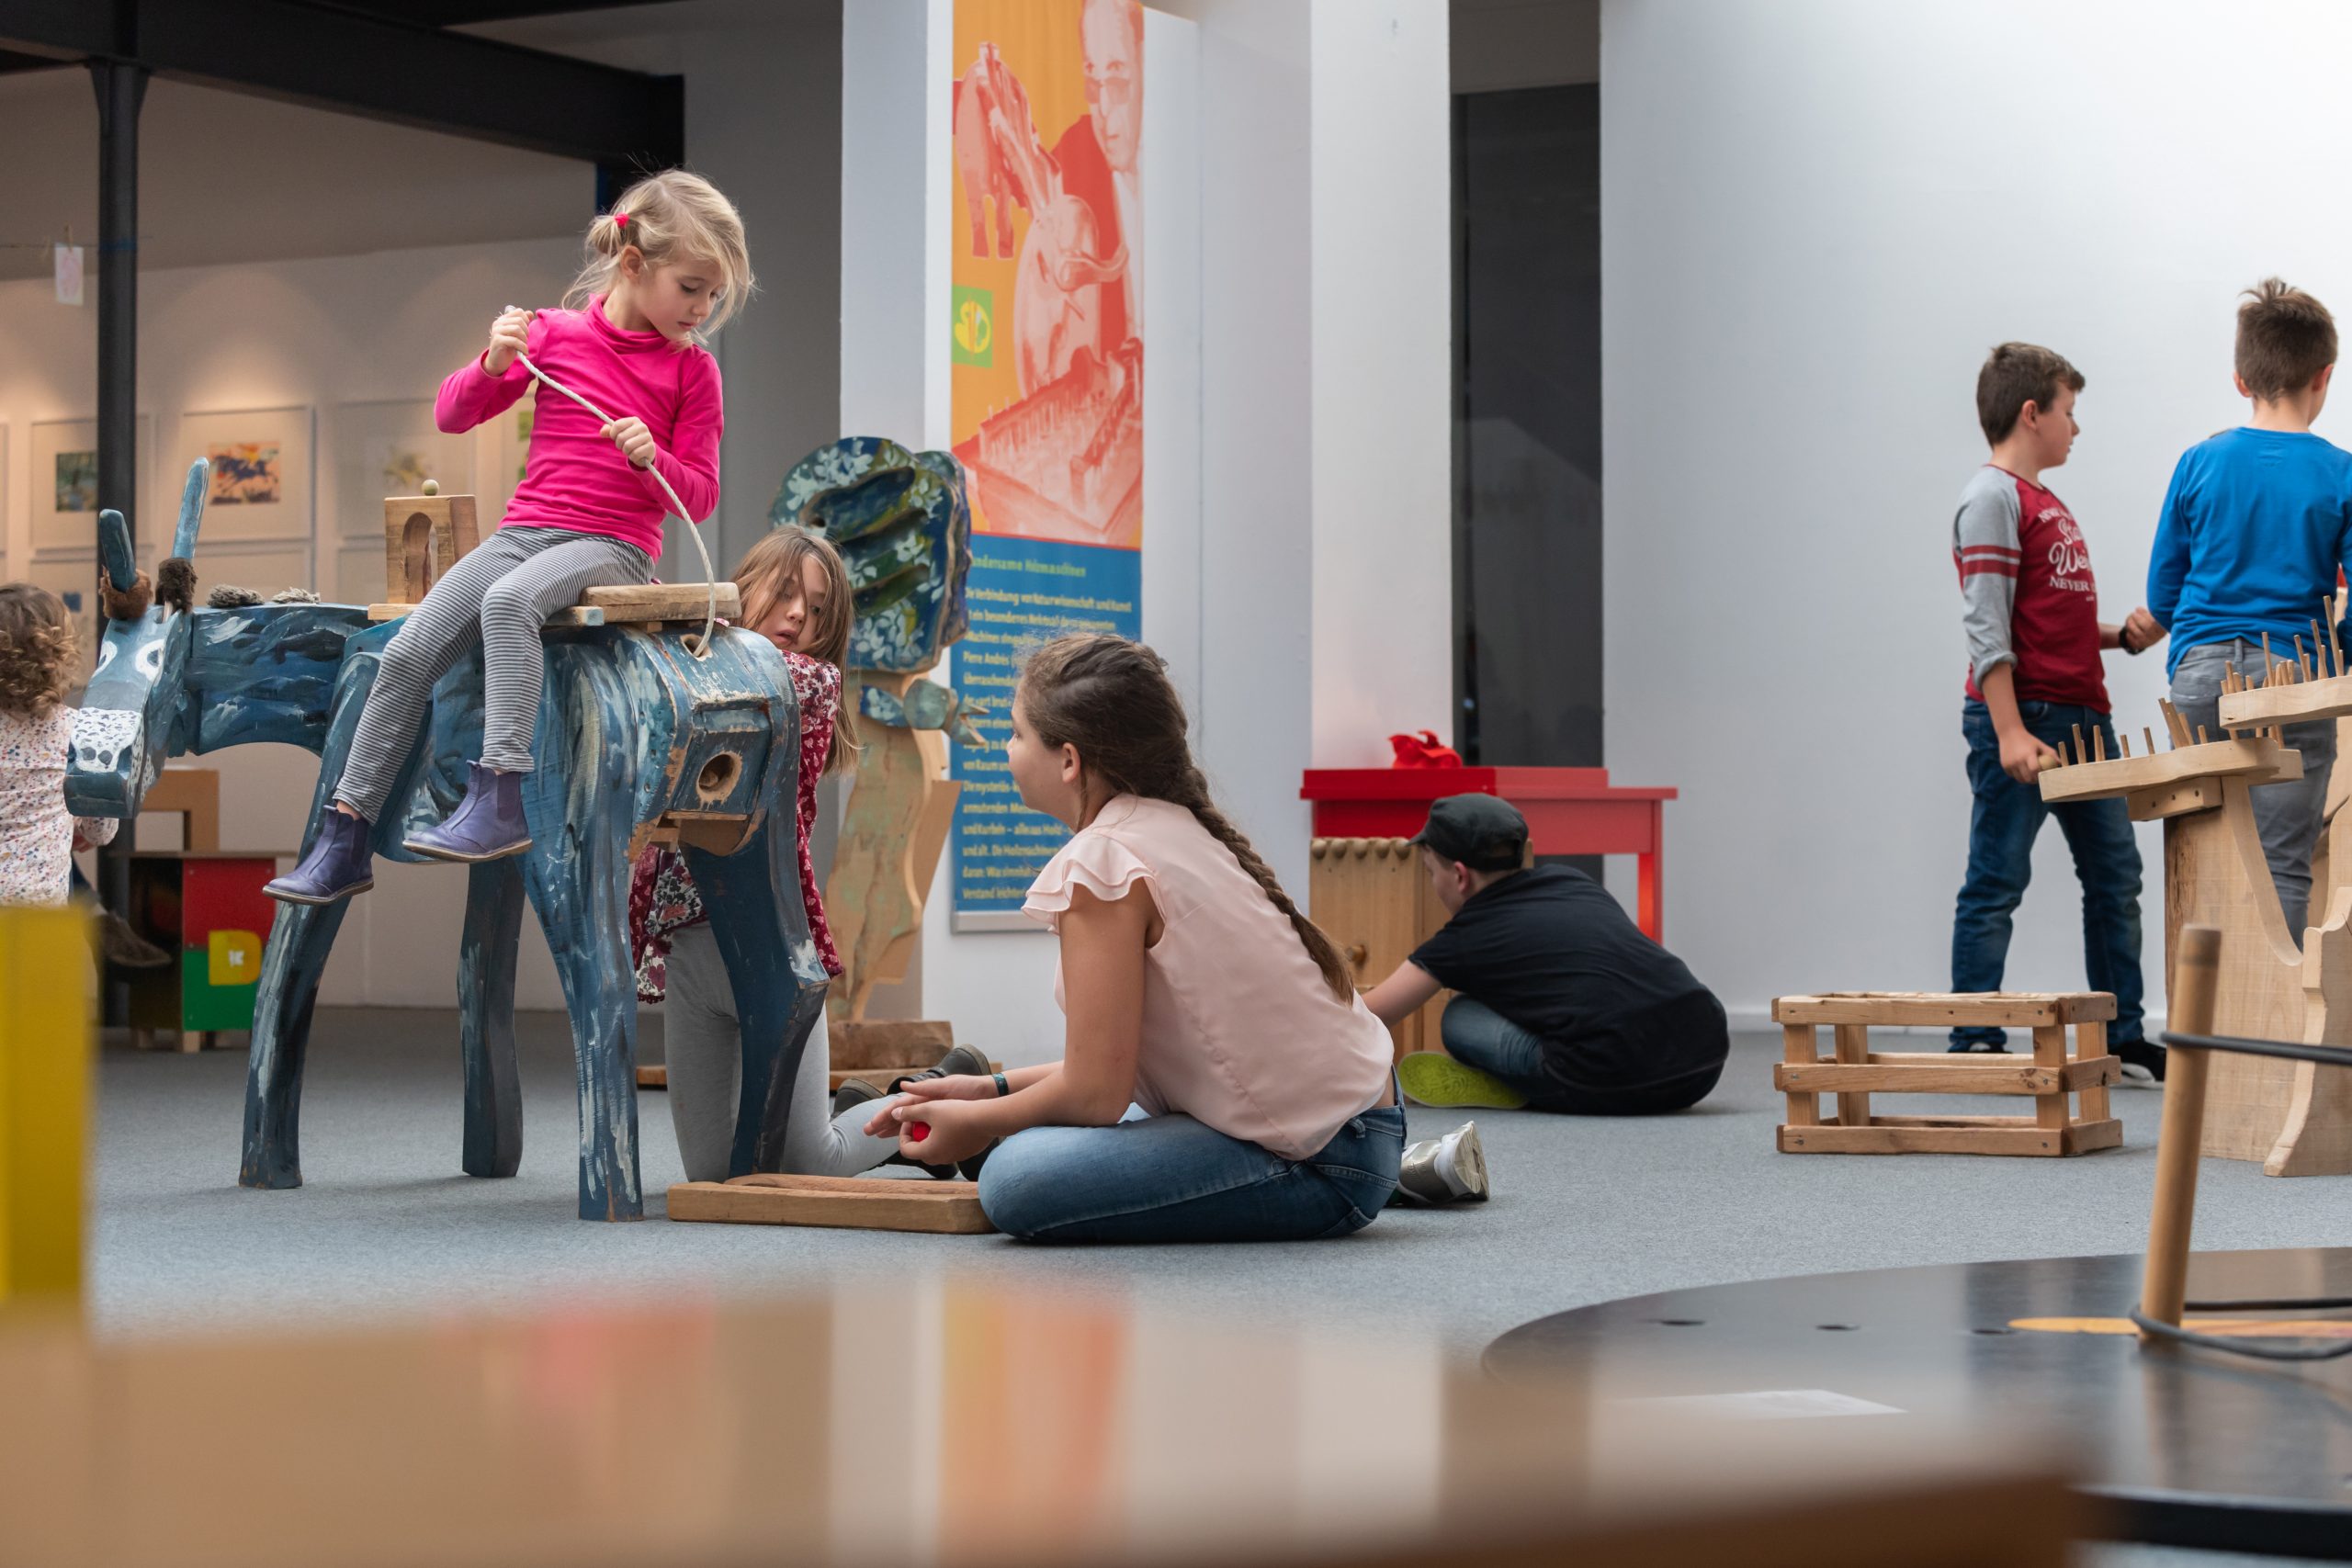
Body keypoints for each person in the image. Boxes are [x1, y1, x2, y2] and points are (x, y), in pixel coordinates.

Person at [267, 169, 752, 904]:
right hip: (526, 529)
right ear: (632, 264)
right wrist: (492, 362)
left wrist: (655, 459)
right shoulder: (551, 337)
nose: (703, 309)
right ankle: (344, 838)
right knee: (406, 654)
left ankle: (499, 799)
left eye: (714, 295)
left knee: (508, 604)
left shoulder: (695, 371)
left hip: (615, 546)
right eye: (691, 288)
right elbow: (452, 415)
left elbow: (703, 495)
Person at [866, 633, 1404, 1243]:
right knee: (1035, 1146)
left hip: (1327, 1161)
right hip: (1367, 1120)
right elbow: (1110, 1063)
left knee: (1016, 1177)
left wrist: (981, 1122)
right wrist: (988, 1089)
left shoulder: (1104, 861)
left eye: (1017, 733)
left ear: (1068, 759)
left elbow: (1097, 1092)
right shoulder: (1169, 825)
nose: (1007, 750)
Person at [628, 526, 953, 1184]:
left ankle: (945, 1098)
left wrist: (691, 620)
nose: (800, 615)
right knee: (713, 1177)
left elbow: (723, 666)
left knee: (813, 1160)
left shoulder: (809, 682)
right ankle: (864, 1108)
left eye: (819, 609)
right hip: (694, 956)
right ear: (742, 588)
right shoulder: (701, 659)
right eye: (784, 593)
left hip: (774, 953)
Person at [1949, 343, 2164, 1077]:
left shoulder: (2049, 503)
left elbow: (2052, 620)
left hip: (2084, 718)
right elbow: (1988, 626)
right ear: (2031, 413)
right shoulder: (1992, 498)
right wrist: (2008, 728)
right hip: (2028, 720)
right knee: (1997, 877)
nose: (2078, 428)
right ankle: (1974, 1028)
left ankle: (2120, 1033)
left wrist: (2119, 638)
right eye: (2070, 412)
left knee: (2115, 878)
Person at [2149, 279, 2352, 953]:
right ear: (2324, 377)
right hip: (2291, 674)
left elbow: (2161, 598)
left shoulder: (2198, 462)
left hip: (2201, 679)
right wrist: (2339, 655)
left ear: (2241, 379)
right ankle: (2274, 1047)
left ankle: (2196, 1049)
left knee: (2201, 868)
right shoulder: (2341, 473)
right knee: (2283, 866)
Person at [1361, 795, 1727, 1117]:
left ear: (1459, 876)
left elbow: (1370, 1013)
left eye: (1431, 873)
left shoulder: (1464, 938)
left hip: (1613, 1079)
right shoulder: (1573, 882)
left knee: (1460, 1017)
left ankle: (1513, 1084)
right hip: (1703, 1059)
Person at [0, 583, 119, 908]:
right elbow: (101, 829)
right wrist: (78, 825)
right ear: (59, 653)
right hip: (36, 914)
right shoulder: (80, 730)